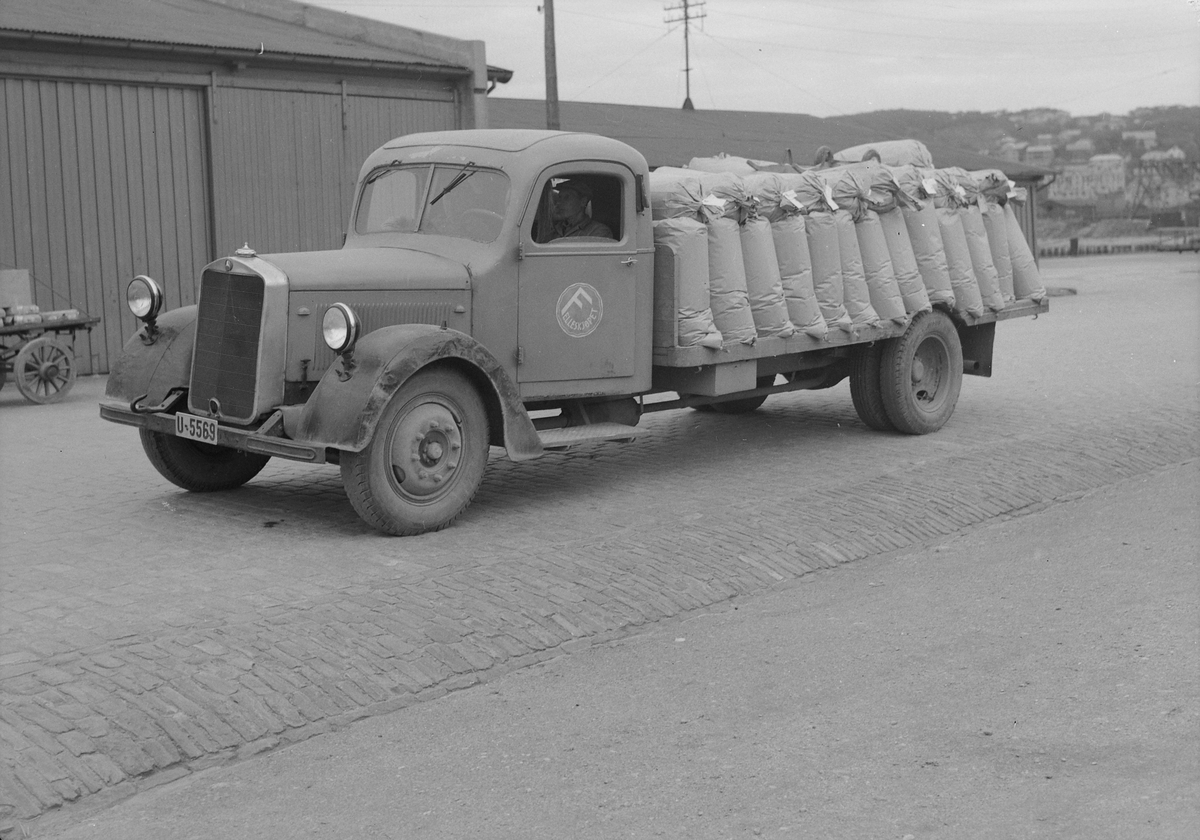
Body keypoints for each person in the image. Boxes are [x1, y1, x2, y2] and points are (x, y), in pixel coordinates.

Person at [549, 179, 614, 239]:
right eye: (559, 197)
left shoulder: (598, 231)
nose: (559, 203)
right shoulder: (554, 229)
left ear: (583, 202)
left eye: (566, 198)